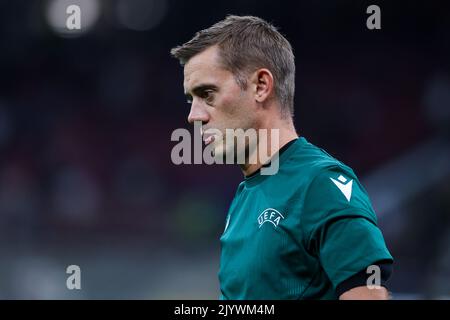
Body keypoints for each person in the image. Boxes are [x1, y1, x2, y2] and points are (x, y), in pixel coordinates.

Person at [170, 15, 393, 300]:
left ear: (261, 86)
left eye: (207, 94)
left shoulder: (320, 184)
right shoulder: (245, 195)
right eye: (191, 100)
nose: (193, 117)